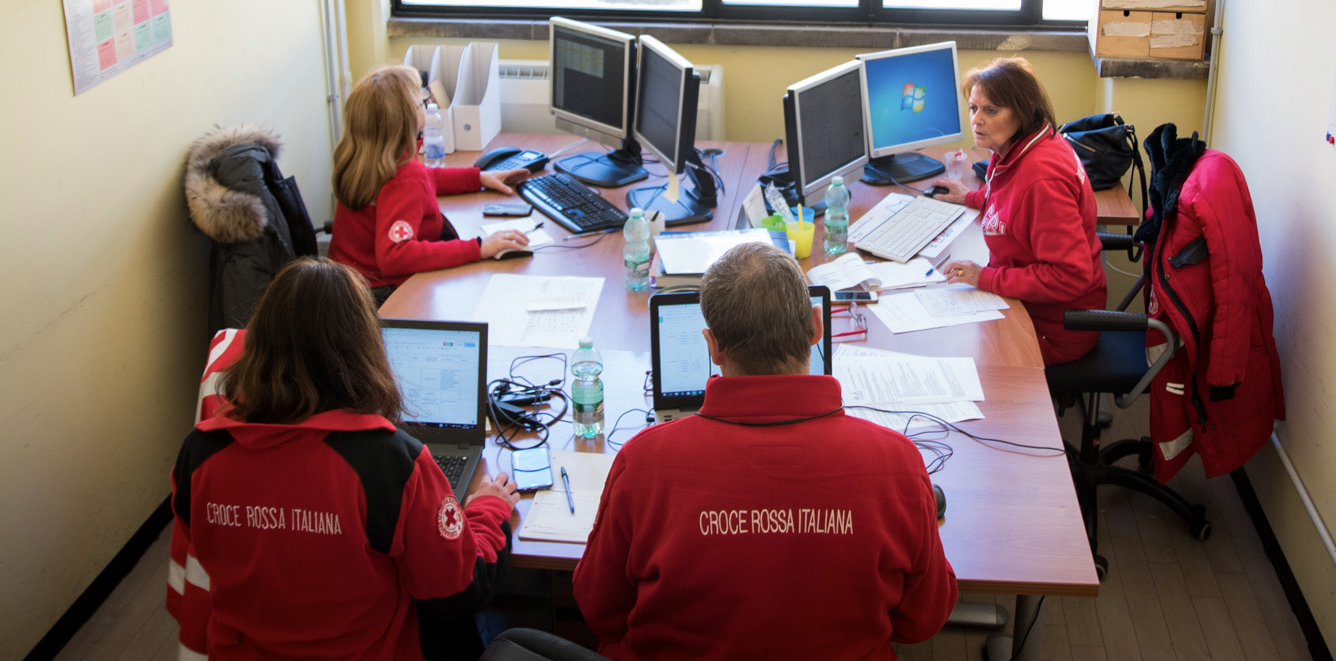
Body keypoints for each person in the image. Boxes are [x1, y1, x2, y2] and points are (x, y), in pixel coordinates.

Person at [572, 243, 959, 660]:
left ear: (712, 346)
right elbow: (922, 620)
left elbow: (602, 613)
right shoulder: (897, 464)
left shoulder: (642, 463)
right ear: (816, 326)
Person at [165, 257, 517, 659]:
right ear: (364, 349)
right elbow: (456, 587)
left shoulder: (201, 452)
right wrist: (489, 508)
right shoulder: (388, 461)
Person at [932, 57, 1107, 364]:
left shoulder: (1042, 179)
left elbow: (1071, 276)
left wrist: (984, 277)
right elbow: (1012, 198)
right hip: (1025, 305)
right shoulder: (1022, 145)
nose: (976, 120)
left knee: (949, 351)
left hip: (1052, 328)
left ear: (1023, 109)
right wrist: (974, 198)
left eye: (991, 110)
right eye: (973, 108)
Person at [329, 64, 530, 303]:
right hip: (379, 297)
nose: (425, 104)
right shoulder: (403, 178)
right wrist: (478, 248)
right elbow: (395, 255)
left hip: (340, 287)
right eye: (421, 102)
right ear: (405, 121)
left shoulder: (368, 157)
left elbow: (425, 177)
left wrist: (478, 178)